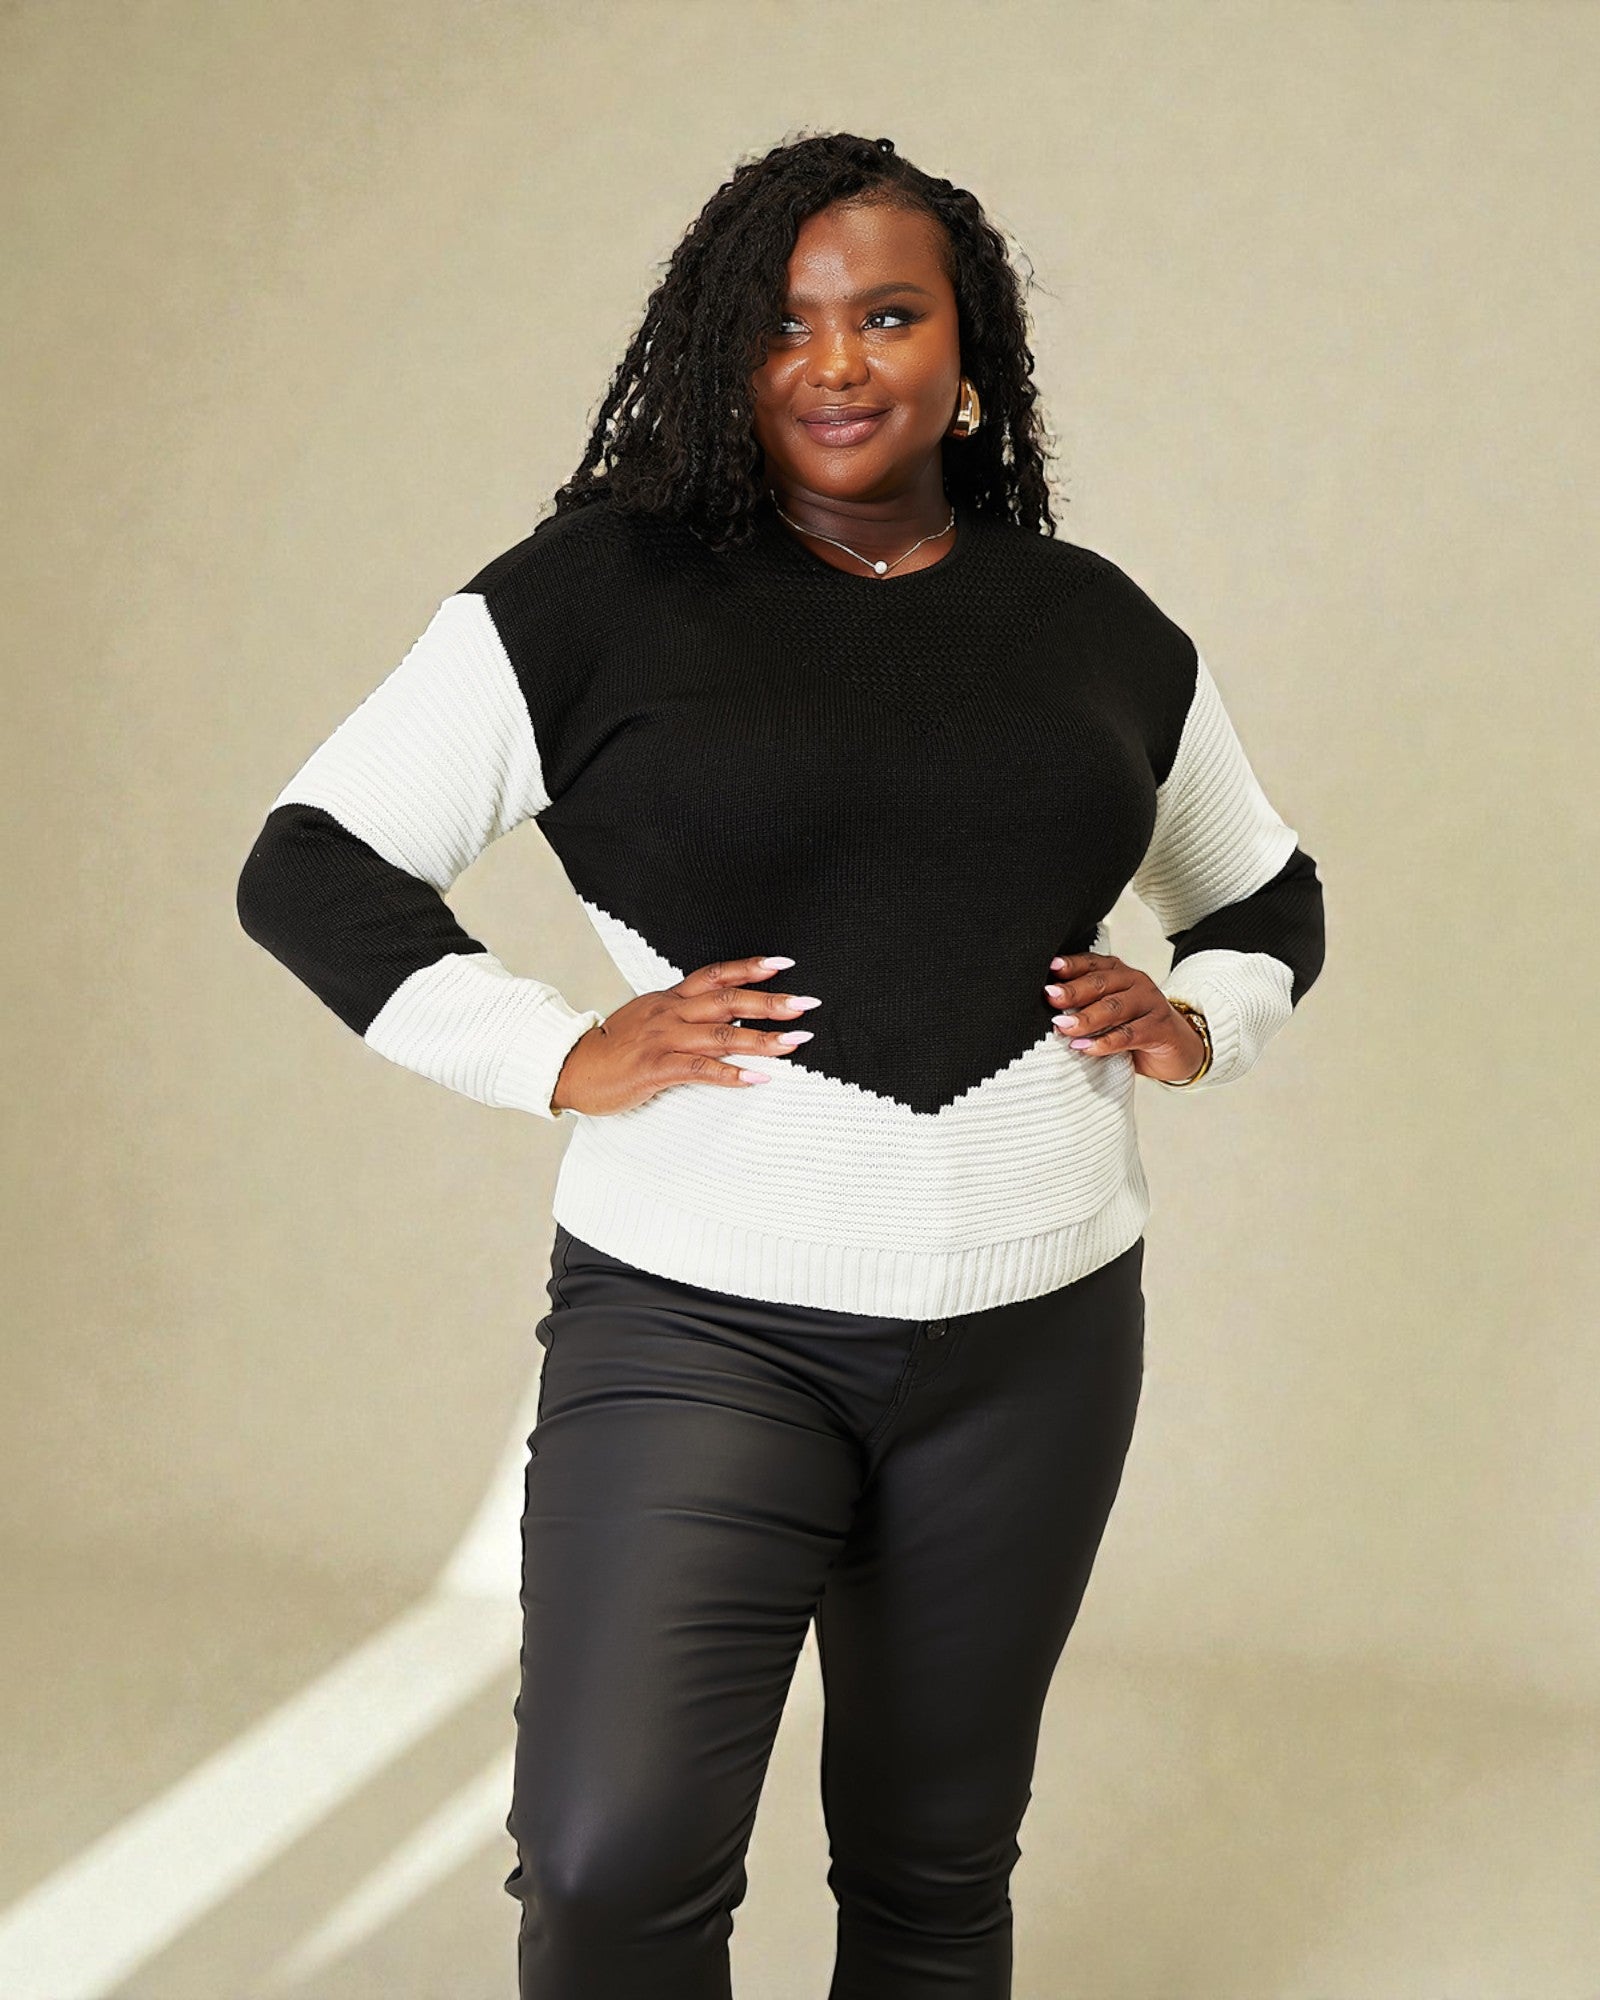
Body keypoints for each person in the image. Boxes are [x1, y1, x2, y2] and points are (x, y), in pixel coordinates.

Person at [237, 131, 1325, 2000]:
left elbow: (1269, 895)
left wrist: (1203, 1016)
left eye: (891, 316)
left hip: (1036, 1337)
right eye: (789, 325)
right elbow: (311, 866)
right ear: (724, 354)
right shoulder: (593, 597)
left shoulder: (1096, 626)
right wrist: (553, 1051)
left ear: (965, 354)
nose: (839, 364)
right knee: (608, 1865)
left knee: (931, 1872)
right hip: (701, 1328)